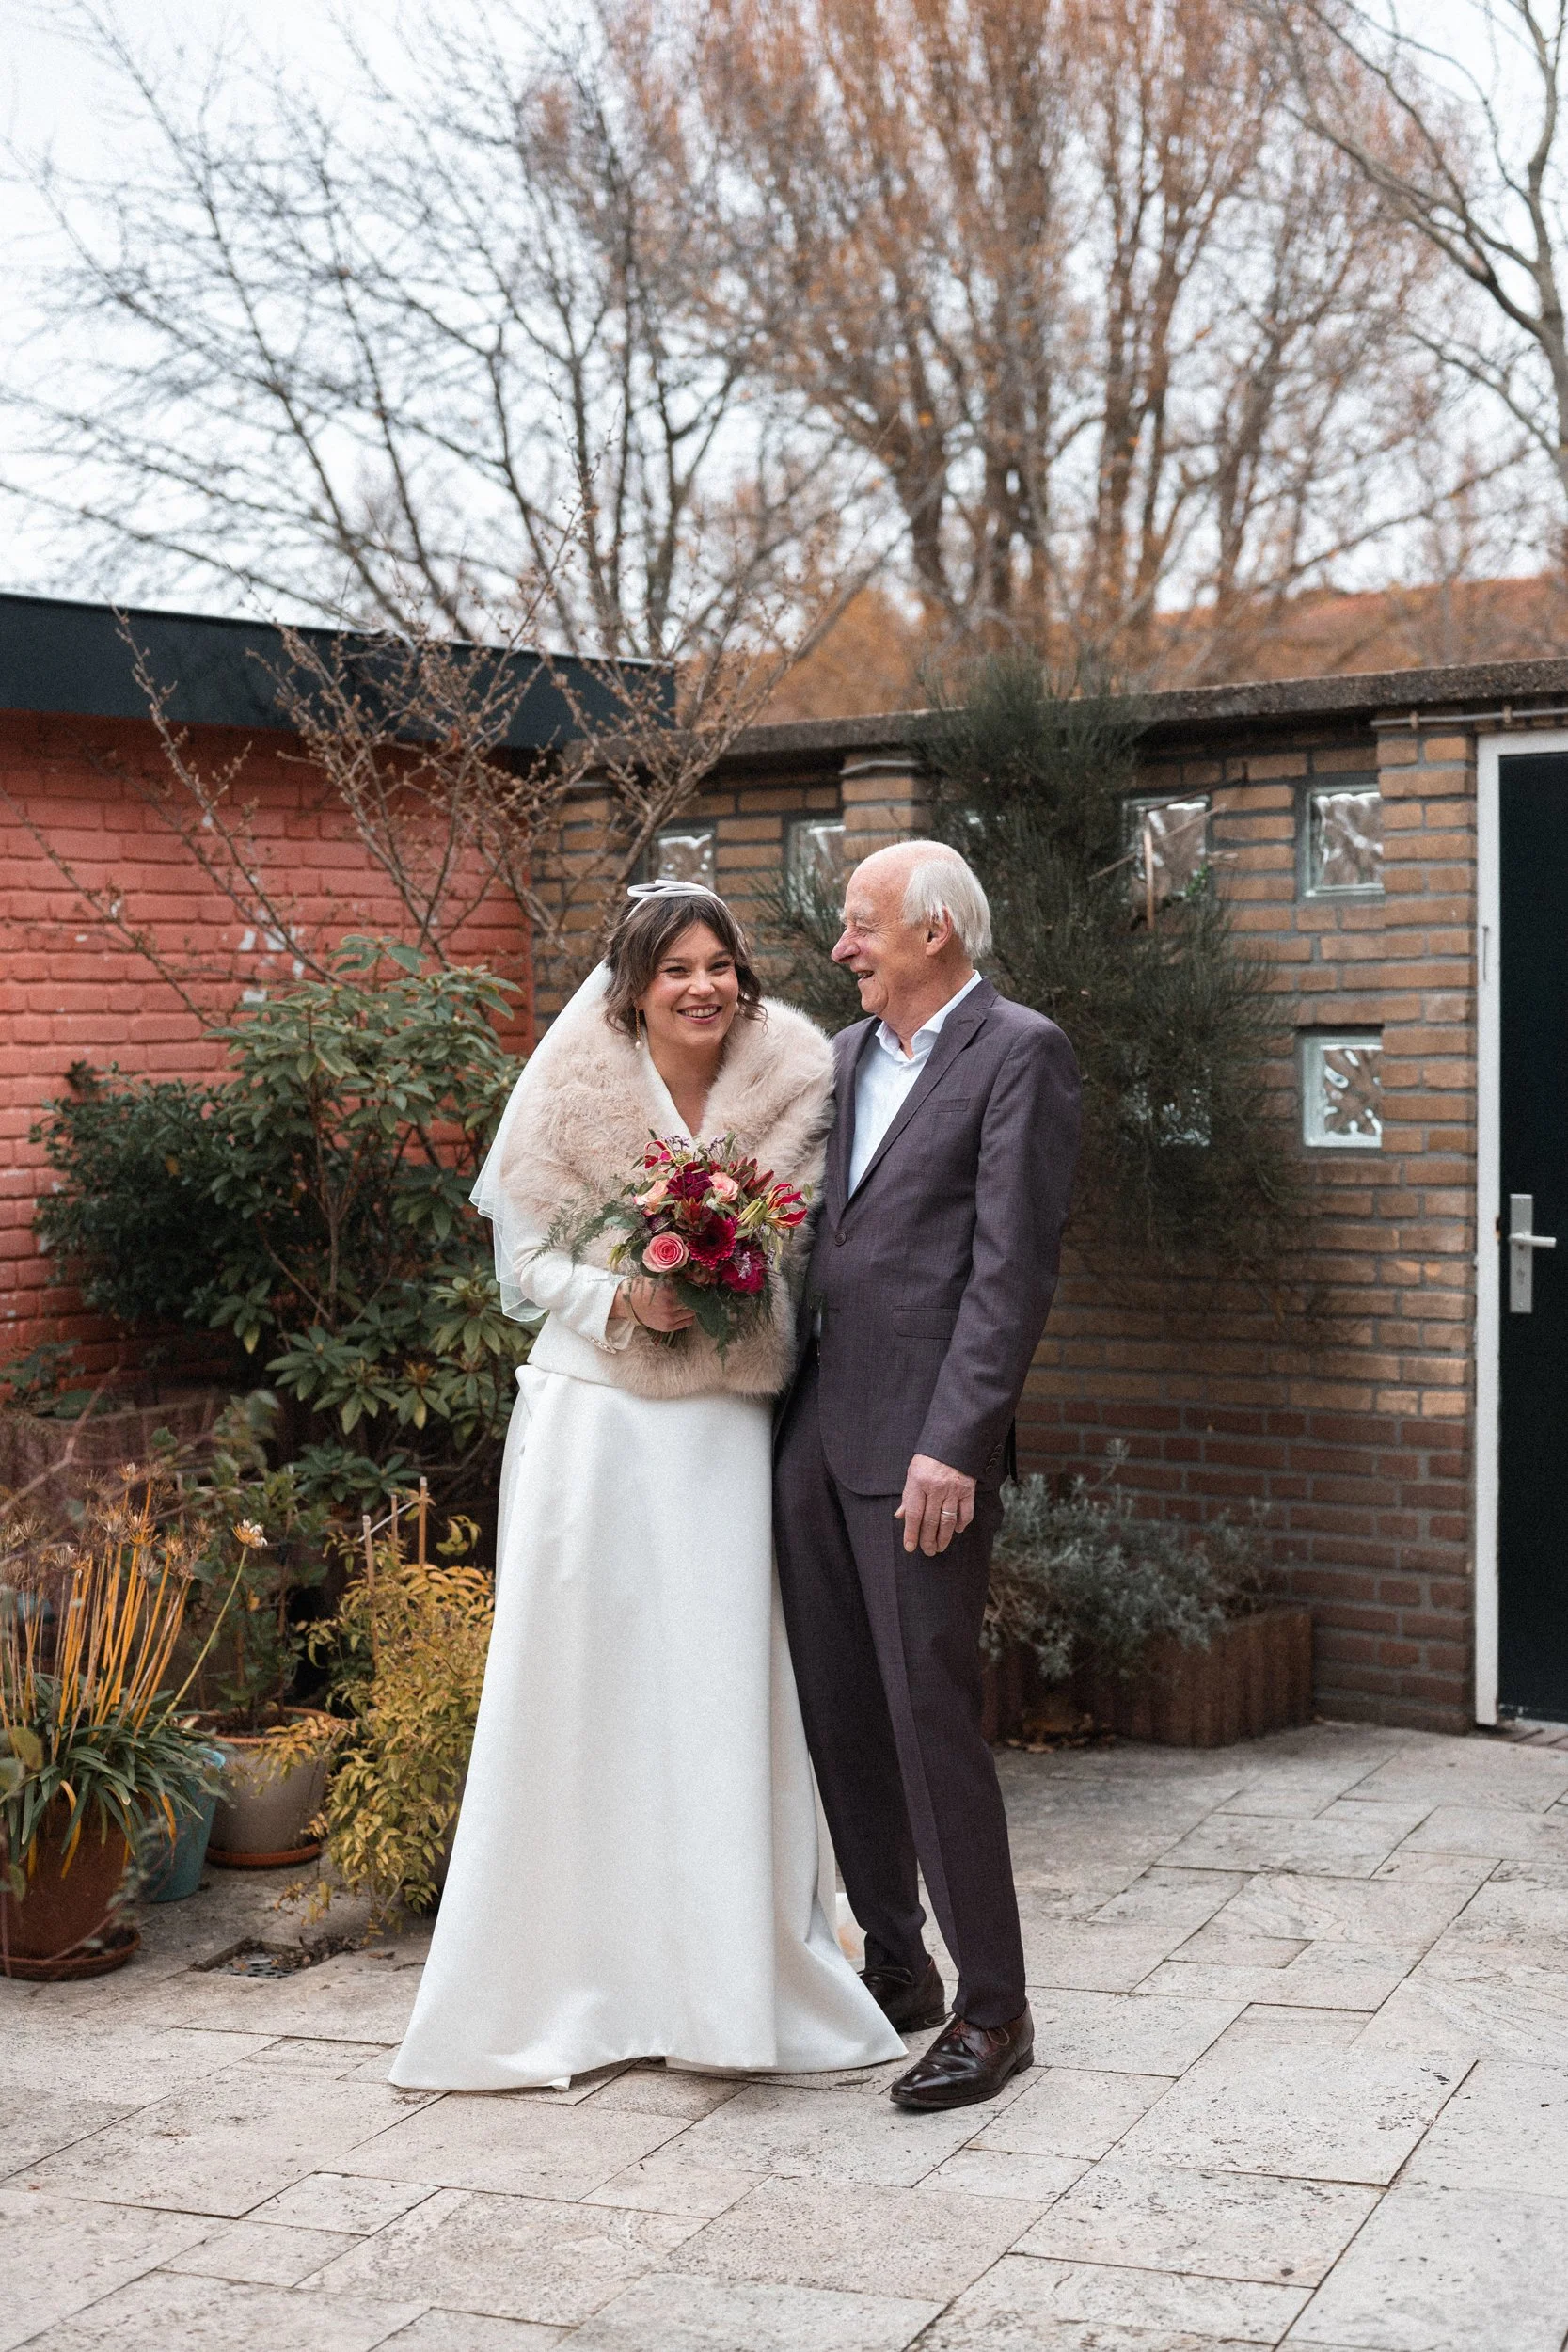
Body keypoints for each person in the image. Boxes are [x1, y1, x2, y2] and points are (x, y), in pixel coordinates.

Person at [390, 883, 902, 2090]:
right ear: (631, 985)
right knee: (583, 1683)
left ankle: (726, 1987)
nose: (701, 986)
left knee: (717, 1683)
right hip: (595, 1423)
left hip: (722, 1424)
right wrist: (621, 1295)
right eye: (674, 967)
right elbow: (522, 1258)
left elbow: (823, 1239)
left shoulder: (795, 1077)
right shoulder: (572, 1079)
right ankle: (574, 1978)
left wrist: (735, 1269)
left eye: (718, 964)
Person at [774, 840, 1082, 2111]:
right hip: (809, 1439)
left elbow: (1009, 1271)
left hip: (919, 1453)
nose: (841, 949)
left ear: (933, 937)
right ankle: (894, 1968)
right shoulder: (839, 1062)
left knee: (925, 1721)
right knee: (839, 1714)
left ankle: (993, 2012)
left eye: (861, 928)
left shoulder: (1017, 1052)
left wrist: (954, 1440)